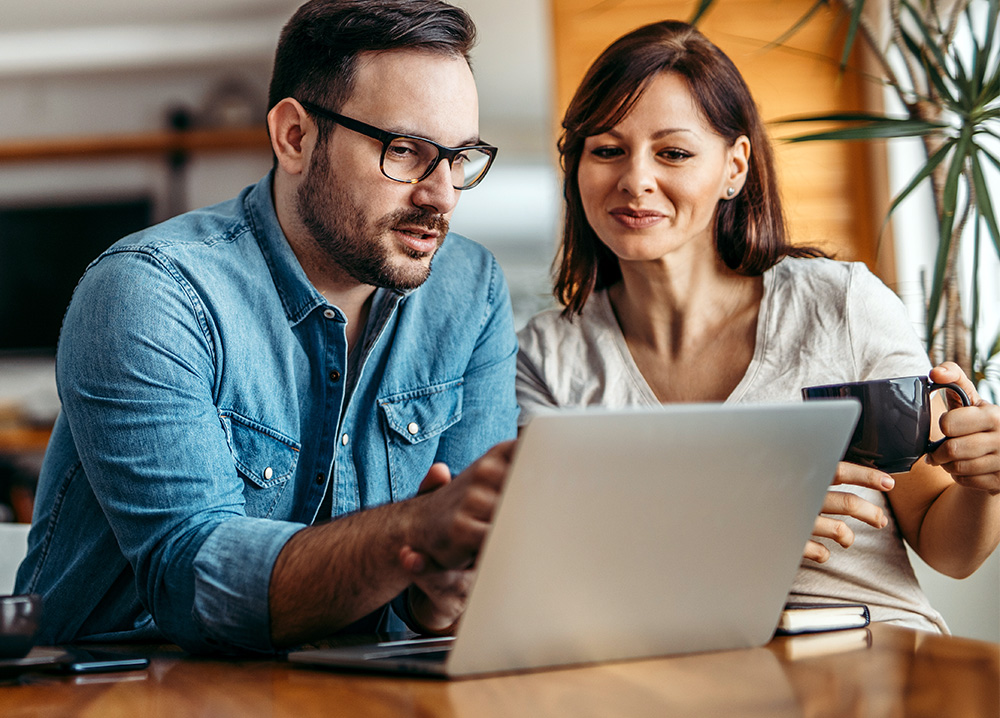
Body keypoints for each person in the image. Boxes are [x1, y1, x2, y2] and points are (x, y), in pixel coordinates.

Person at [16, 0, 519, 654]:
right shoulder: (151, 291)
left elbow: (461, 580)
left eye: (459, 158)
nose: (442, 196)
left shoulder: (471, 289)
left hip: (365, 694)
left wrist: (444, 592)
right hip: (124, 693)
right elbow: (190, 577)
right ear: (294, 137)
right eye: (405, 151)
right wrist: (414, 536)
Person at [516, 20, 1000, 632]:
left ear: (735, 167)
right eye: (607, 149)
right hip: (667, 667)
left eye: (673, 153)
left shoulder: (841, 306)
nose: (635, 179)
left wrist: (986, 485)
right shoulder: (546, 357)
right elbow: (550, 570)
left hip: (871, 654)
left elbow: (948, 548)